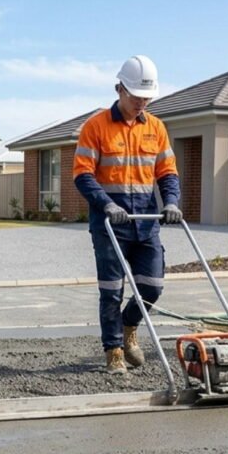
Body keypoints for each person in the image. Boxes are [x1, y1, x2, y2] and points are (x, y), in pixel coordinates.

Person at [73, 54, 181, 374]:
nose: (141, 103)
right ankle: (114, 352)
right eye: (136, 96)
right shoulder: (96, 127)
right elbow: (82, 174)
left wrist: (171, 203)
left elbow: (167, 172)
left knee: (152, 285)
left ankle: (129, 324)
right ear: (119, 88)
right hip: (110, 222)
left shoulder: (156, 128)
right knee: (111, 290)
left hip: (145, 220)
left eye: (146, 97)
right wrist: (106, 203)